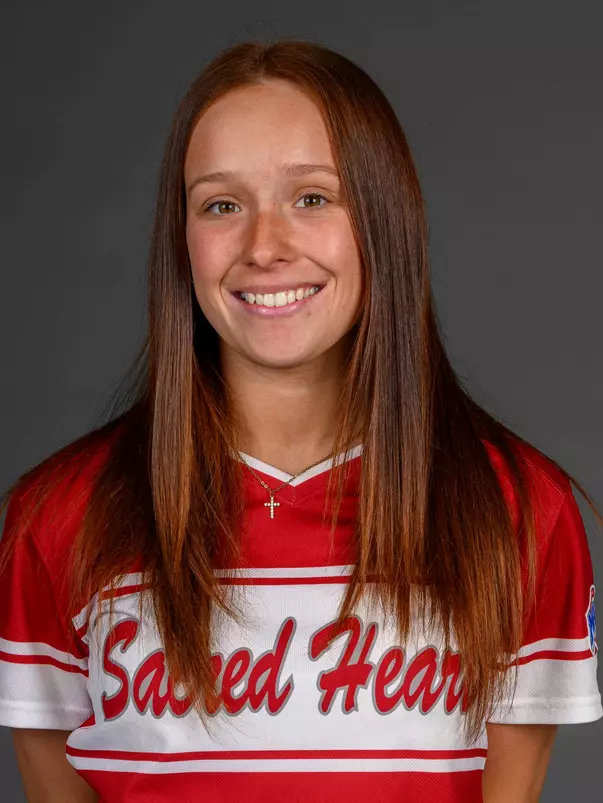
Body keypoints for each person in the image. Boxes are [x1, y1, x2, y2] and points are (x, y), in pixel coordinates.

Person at [0, 37, 600, 803]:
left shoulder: (518, 511)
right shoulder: (58, 517)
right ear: (180, 240)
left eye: (311, 197)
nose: (263, 246)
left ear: (383, 219)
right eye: (221, 204)